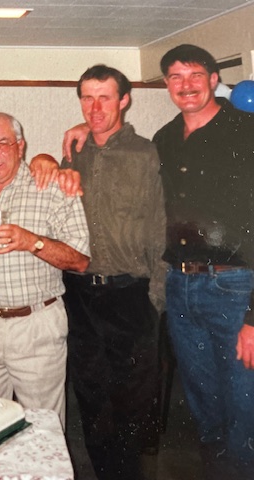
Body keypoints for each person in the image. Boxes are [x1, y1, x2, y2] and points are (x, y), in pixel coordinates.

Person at [60, 45, 254, 479]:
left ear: (214, 79)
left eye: (195, 75)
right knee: (204, 408)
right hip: (179, 287)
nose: (186, 85)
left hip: (232, 287)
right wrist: (77, 134)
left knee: (244, 408)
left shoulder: (245, 132)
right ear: (166, 84)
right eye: (175, 77)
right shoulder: (165, 139)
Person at [0, 112, 90, 425]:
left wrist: (32, 242)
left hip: (36, 326)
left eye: (3, 144)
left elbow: (80, 259)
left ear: (20, 147)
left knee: (42, 425)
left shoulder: (52, 188)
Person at [62, 65, 166, 480]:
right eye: (87, 98)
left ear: (124, 100)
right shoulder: (74, 151)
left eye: (104, 97)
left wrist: (155, 300)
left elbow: (160, 227)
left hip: (130, 295)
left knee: (133, 404)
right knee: (90, 399)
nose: (95, 108)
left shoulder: (146, 154)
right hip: (81, 296)